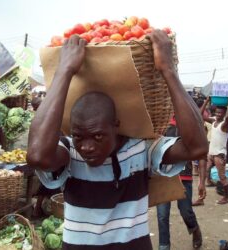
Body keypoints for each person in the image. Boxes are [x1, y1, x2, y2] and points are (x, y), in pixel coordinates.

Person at [27, 31, 208, 249]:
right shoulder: (69, 154)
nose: (86, 147)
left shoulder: (142, 150)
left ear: (116, 126)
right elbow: (36, 155)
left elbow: (197, 147)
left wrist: (168, 70)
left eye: (98, 136)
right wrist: (64, 71)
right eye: (78, 136)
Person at [156, 117, 205, 250]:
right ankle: (164, 246)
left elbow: (201, 156)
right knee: (162, 215)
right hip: (164, 177)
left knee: (186, 211)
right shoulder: (161, 124)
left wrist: (202, 182)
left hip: (184, 177)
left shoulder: (191, 126)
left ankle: (195, 229)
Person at [201, 96, 228, 204]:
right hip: (211, 153)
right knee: (205, 171)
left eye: (220, 113)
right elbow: (200, 115)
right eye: (217, 112)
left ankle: (226, 197)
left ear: (224, 114)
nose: (218, 114)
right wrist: (206, 101)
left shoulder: (225, 124)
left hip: (219, 155)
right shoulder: (214, 121)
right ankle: (203, 193)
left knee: (222, 177)